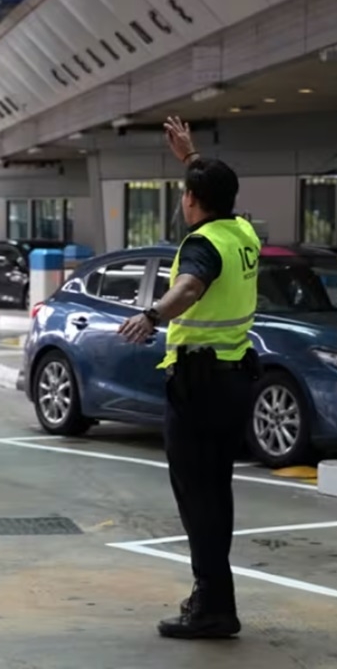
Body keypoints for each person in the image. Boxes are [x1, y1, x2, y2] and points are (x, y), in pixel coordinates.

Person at [118, 116, 262, 640]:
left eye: (185, 192)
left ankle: (212, 607)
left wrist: (152, 314)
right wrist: (191, 157)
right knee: (214, 492)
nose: (183, 201)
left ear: (193, 202)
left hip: (200, 388)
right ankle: (215, 598)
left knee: (198, 497)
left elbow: (190, 288)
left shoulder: (203, 244)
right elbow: (213, 187)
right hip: (233, 382)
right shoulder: (242, 232)